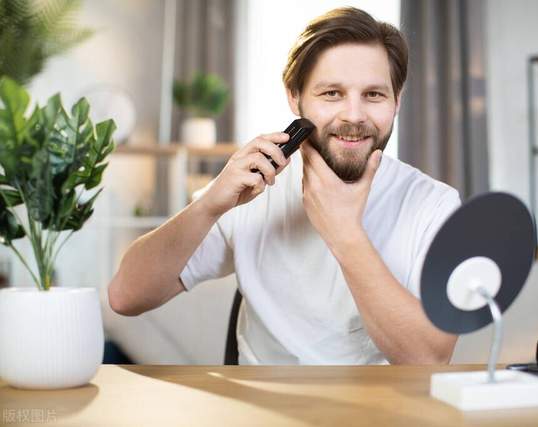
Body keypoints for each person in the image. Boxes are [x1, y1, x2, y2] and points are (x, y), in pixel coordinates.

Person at [108, 7, 460, 365]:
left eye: (373, 95)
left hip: (382, 415)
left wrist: (344, 232)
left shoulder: (434, 205)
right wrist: (210, 204)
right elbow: (125, 296)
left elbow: (429, 361)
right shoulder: (251, 191)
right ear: (295, 98)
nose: (354, 115)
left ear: (396, 102)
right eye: (332, 93)